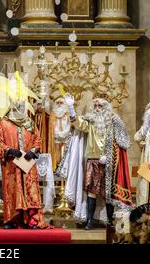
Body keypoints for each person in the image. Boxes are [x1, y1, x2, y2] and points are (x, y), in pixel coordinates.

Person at [57, 93, 133, 230]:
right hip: (92, 161)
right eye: (96, 105)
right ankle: (90, 220)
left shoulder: (113, 121)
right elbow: (78, 124)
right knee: (92, 191)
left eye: (101, 105)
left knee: (108, 193)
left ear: (106, 107)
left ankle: (109, 221)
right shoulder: (90, 122)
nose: (98, 108)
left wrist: (108, 157)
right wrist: (71, 107)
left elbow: (122, 143)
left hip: (109, 163)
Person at [0, 101, 49, 229]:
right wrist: (9, 150)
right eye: (17, 106)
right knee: (12, 191)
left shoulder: (29, 123)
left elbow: (38, 140)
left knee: (31, 191)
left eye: (21, 106)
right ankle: (12, 220)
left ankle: (33, 220)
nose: (19, 109)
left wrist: (33, 151)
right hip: (11, 165)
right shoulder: (3, 124)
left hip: (28, 163)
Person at [48, 96, 71, 172]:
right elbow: (52, 127)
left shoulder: (68, 114)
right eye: (57, 103)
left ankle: (65, 170)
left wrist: (64, 134)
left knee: (66, 156)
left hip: (66, 138)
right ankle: (57, 169)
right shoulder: (53, 114)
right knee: (57, 157)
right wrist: (58, 134)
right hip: (56, 139)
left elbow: (69, 126)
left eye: (61, 103)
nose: (59, 104)